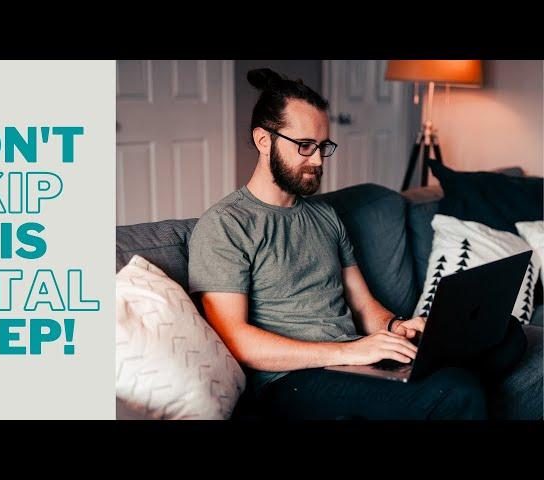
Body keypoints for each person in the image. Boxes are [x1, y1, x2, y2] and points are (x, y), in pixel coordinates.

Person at [187, 68, 526, 420]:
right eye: (305, 146)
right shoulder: (226, 225)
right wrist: (349, 352)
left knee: (507, 334)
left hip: (353, 362)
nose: (317, 160)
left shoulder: (325, 216)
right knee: (457, 390)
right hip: (290, 381)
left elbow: (363, 305)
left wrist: (397, 327)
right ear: (263, 140)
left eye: (323, 147)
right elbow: (237, 341)